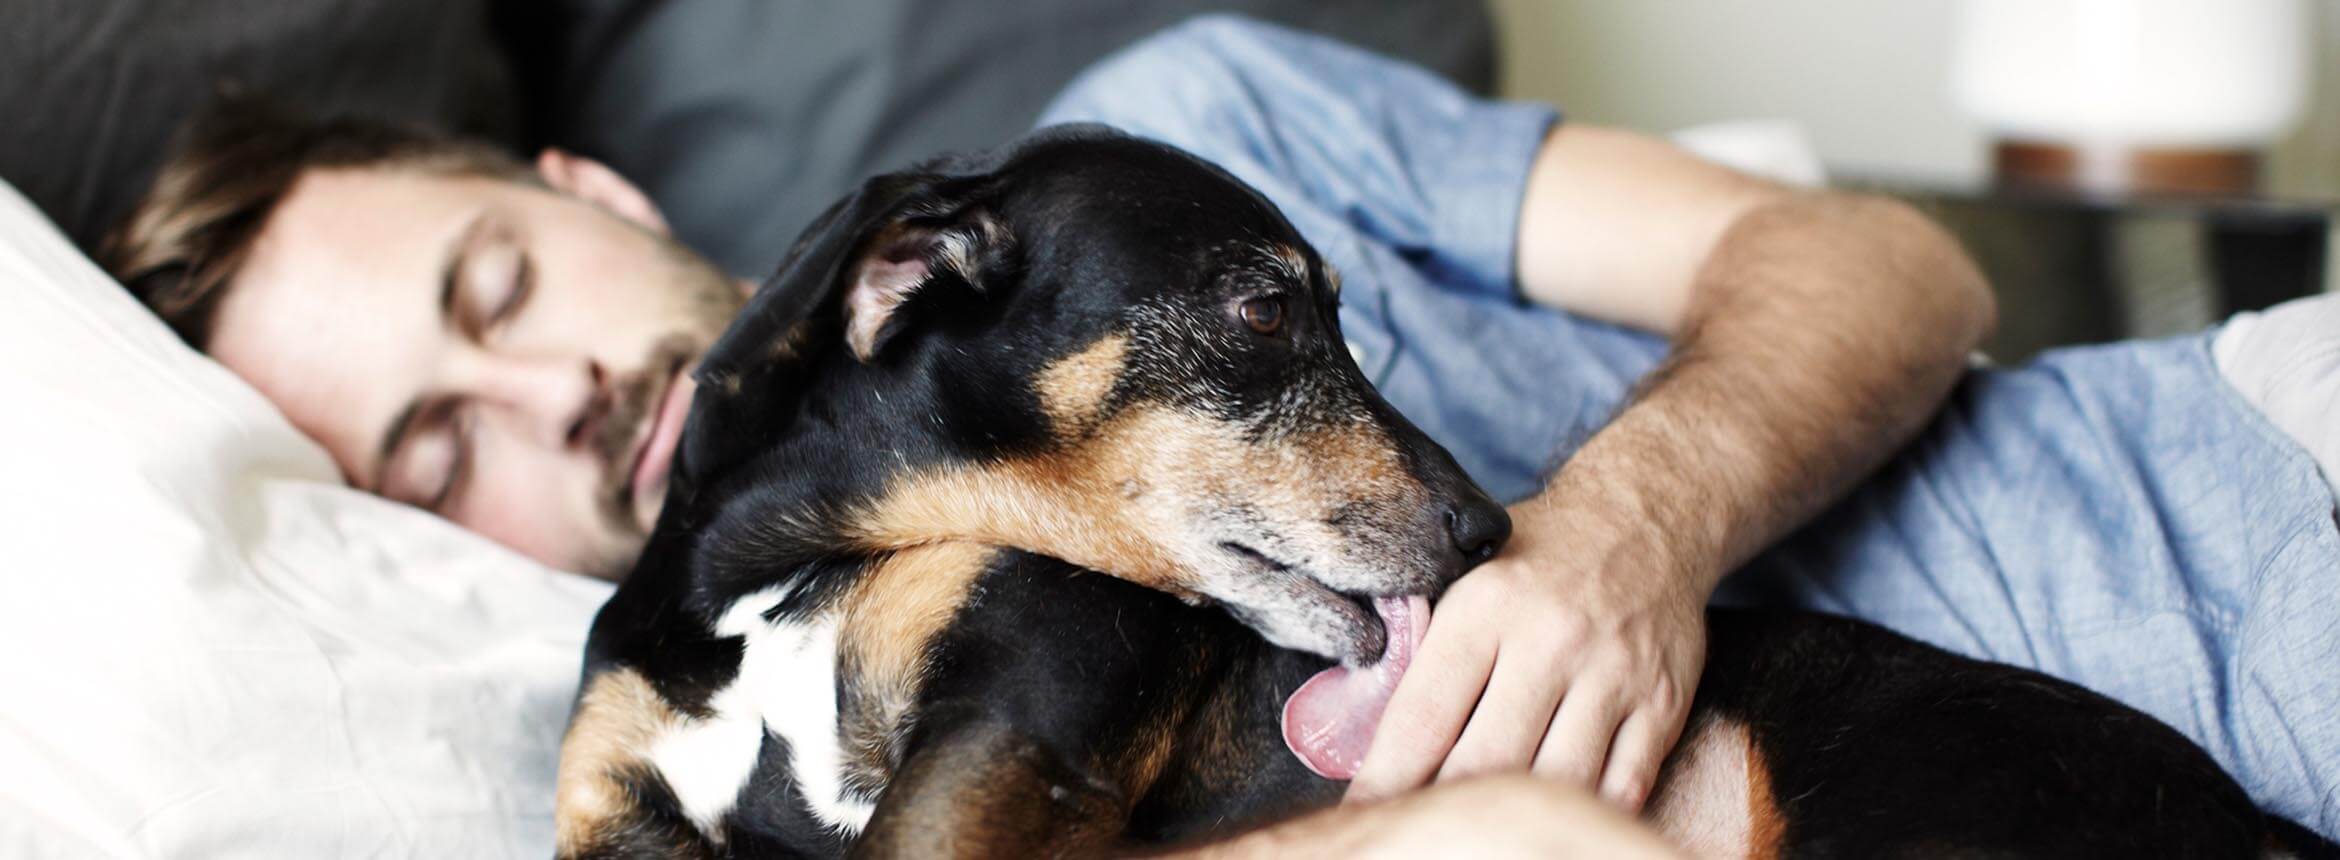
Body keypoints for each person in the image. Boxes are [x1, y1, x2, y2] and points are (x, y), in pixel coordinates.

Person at [102, 14, 2334, 842]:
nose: (547, 390)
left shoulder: (1173, 142)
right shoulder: (721, 702)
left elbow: (1898, 268)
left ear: (572, 193)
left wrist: (1623, 528)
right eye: (427, 443)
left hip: (2245, 510)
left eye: (494, 290)